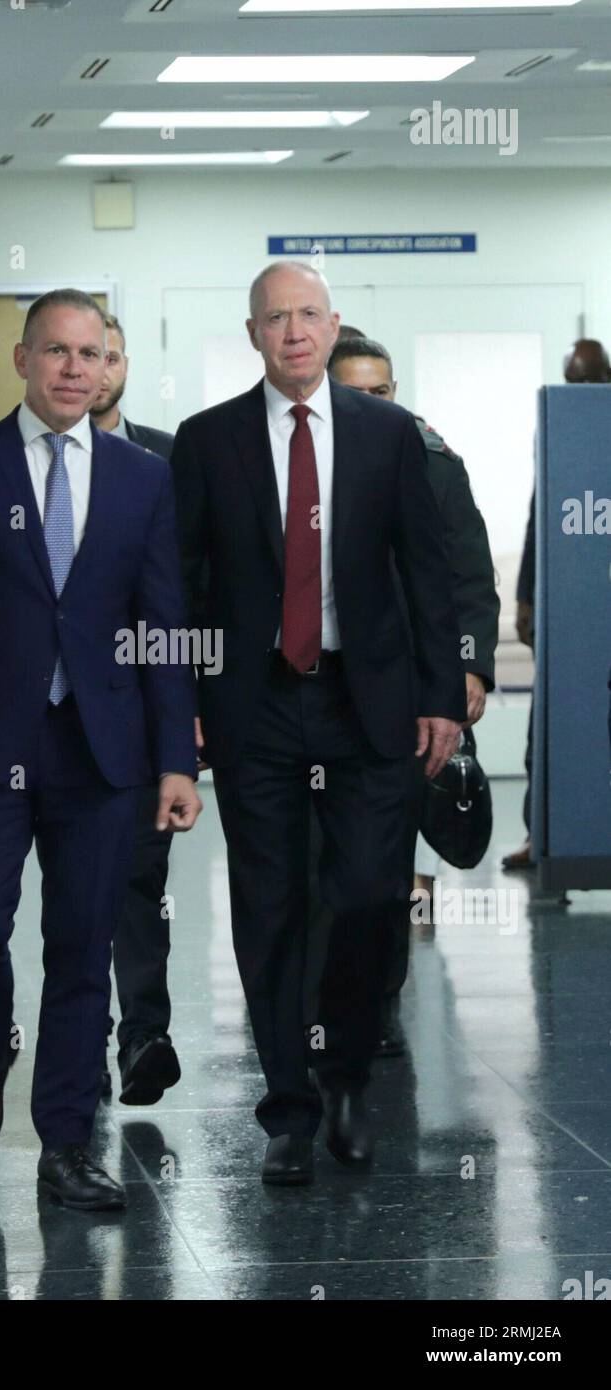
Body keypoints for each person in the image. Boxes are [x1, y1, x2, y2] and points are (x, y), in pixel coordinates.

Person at [0, 288, 201, 1212]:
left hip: (103, 755)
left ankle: (66, 1144)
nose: (74, 369)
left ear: (111, 368)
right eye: (55, 351)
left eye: (91, 354)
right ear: (22, 361)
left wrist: (175, 757)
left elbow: (163, 625)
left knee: (82, 950)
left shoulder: (143, 476)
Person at [171, 262, 465, 1183]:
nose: (293, 333)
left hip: (366, 700)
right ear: (252, 333)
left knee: (371, 893)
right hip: (254, 704)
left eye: (307, 316)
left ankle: (345, 1080)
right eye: (275, 319)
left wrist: (442, 694)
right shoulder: (208, 441)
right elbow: (181, 586)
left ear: (332, 327)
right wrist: (180, 702)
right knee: (270, 906)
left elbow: (429, 570)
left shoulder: (389, 437)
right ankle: (290, 1110)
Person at [326, 335, 499, 1054]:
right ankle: (304, 1004)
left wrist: (469, 667)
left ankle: (375, 1007)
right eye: (353, 394)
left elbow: (466, 569)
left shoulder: (429, 459)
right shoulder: (280, 459)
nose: (370, 406)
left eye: (381, 393)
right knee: (306, 860)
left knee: (386, 856)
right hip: (305, 684)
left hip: (399, 686)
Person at [90, 314, 183, 1104]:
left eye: (109, 354)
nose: (96, 367)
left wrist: (190, 708)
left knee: (140, 880)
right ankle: (79, 1048)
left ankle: (144, 1036)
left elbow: (190, 595)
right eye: (80, 352)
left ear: (125, 364)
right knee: (74, 888)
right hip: (52, 717)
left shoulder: (168, 460)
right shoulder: (8, 462)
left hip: (145, 708)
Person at [503, 338, 611, 870]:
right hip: (563, 605)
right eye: (574, 380)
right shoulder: (557, 425)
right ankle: (539, 835)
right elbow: (538, 512)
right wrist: (525, 595)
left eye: (592, 380)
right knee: (543, 727)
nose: (582, 390)